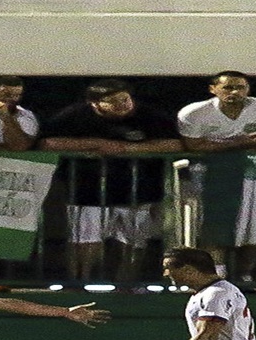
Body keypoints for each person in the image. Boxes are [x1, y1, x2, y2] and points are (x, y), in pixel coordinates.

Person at [39, 79, 184, 281]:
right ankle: (79, 283)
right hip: (88, 193)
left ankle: (126, 284)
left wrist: (127, 149)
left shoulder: (149, 116)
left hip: (139, 192)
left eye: (125, 99)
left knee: (133, 242)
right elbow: (48, 143)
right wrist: (95, 144)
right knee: (85, 242)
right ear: (95, 104)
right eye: (112, 101)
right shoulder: (74, 116)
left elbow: (174, 145)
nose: (122, 105)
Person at [176, 71, 256, 282]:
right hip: (210, 175)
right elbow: (195, 146)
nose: (234, 92)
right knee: (215, 224)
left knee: (254, 227)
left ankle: (245, 275)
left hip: (255, 175)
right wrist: (241, 143)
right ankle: (217, 277)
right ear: (213, 89)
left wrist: (220, 146)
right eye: (227, 87)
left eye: (240, 87)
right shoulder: (194, 112)